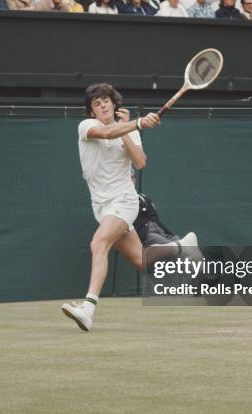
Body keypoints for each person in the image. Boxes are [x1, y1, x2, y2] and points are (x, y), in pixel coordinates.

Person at [61, 83, 160, 332]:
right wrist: (137, 123)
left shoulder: (129, 130)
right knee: (142, 261)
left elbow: (140, 162)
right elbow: (106, 134)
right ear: (92, 112)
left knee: (99, 244)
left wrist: (129, 129)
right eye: (97, 103)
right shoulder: (86, 127)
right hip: (101, 206)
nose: (103, 105)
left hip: (124, 200)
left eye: (106, 100)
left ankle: (88, 309)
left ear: (114, 104)